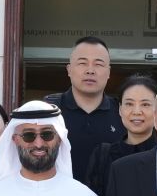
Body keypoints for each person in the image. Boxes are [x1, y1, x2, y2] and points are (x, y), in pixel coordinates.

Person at [46, 36, 123, 183]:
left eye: (98, 64)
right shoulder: (49, 111)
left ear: (108, 72)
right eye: (82, 63)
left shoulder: (123, 113)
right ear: (69, 70)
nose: (90, 70)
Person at [86, 74, 157, 196]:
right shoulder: (103, 156)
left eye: (145, 104)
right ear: (120, 109)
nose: (136, 111)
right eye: (129, 104)